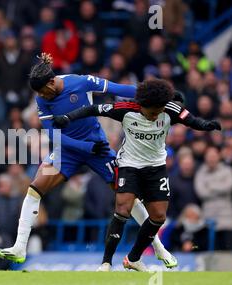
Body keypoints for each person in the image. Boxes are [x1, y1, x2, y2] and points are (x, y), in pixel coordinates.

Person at [0, 53, 177, 269]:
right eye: (38, 93)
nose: (42, 96)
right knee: (35, 188)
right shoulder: (42, 99)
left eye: (43, 90)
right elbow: (53, 135)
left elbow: (119, 89)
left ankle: (158, 247)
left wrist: (159, 97)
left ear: (52, 81)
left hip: (98, 148)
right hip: (68, 150)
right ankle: (19, 247)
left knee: (128, 196)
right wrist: (84, 147)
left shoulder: (81, 82)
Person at [51, 78, 221, 271]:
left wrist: (207, 125)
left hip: (156, 167)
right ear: (141, 105)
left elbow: (192, 121)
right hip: (129, 165)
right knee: (122, 209)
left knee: (158, 217)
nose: (154, 115)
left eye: (158, 111)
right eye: (151, 112)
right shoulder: (125, 108)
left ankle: (133, 258)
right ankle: (106, 262)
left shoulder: (169, 109)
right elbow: (93, 109)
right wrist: (67, 118)